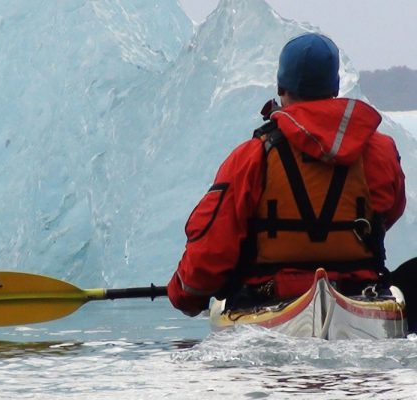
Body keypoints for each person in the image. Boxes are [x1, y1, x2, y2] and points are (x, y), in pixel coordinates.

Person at [167, 32, 406, 317]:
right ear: (336, 86)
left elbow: (209, 253)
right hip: (359, 296)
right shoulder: (379, 151)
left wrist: (185, 295)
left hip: (271, 301)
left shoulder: (252, 157)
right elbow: (386, 213)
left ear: (281, 86)